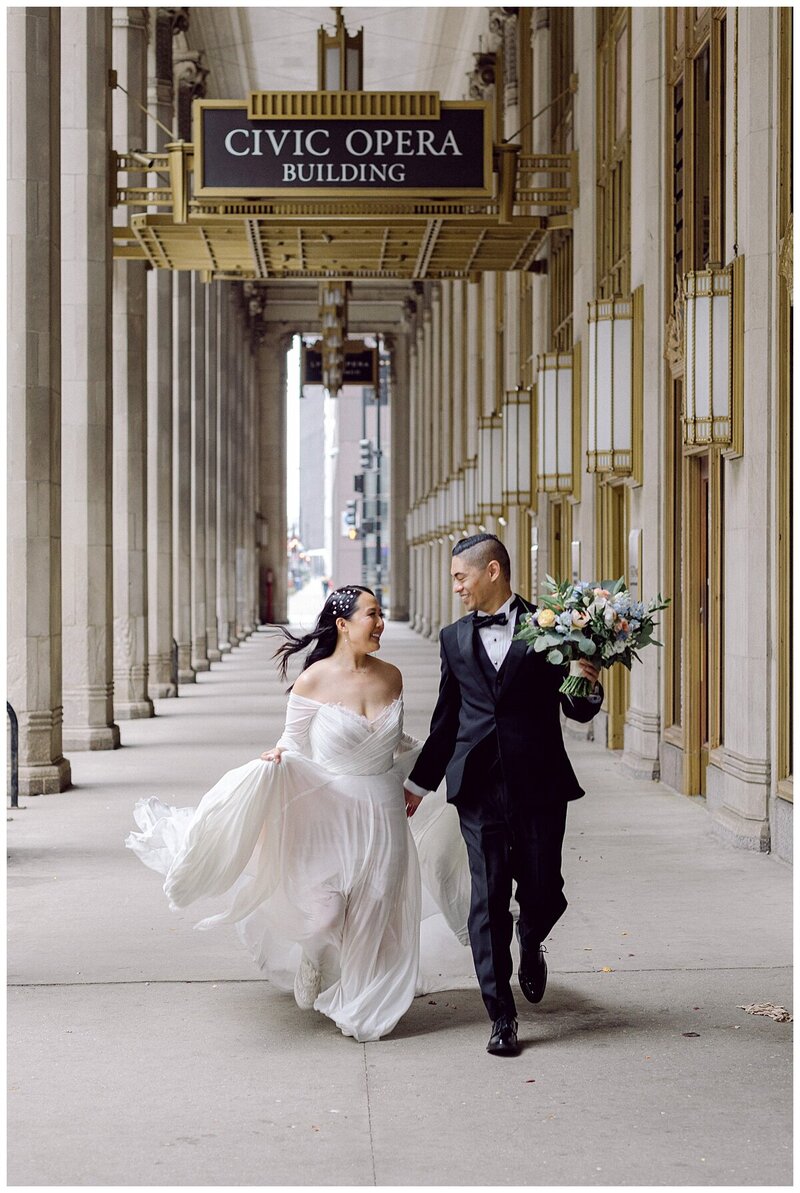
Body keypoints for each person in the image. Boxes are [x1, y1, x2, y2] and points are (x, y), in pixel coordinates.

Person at [126, 585, 472, 1044]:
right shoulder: (313, 680)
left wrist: (424, 772)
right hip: (329, 810)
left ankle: (364, 1000)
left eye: (382, 613)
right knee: (326, 914)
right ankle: (315, 954)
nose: (381, 622)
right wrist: (277, 757)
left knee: (377, 909)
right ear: (344, 624)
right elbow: (293, 739)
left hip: (383, 809)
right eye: (372, 614)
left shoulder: (392, 676)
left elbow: (394, 739)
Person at [403, 534, 603, 1057]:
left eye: (460, 577)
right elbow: (446, 722)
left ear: (492, 571)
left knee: (542, 885)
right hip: (477, 785)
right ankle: (502, 1016)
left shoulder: (554, 628)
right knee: (487, 897)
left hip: (538, 781)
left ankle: (532, 934)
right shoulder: (452, 639)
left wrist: (589, 682)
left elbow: (577, 711)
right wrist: (418, 784)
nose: (456, 588)